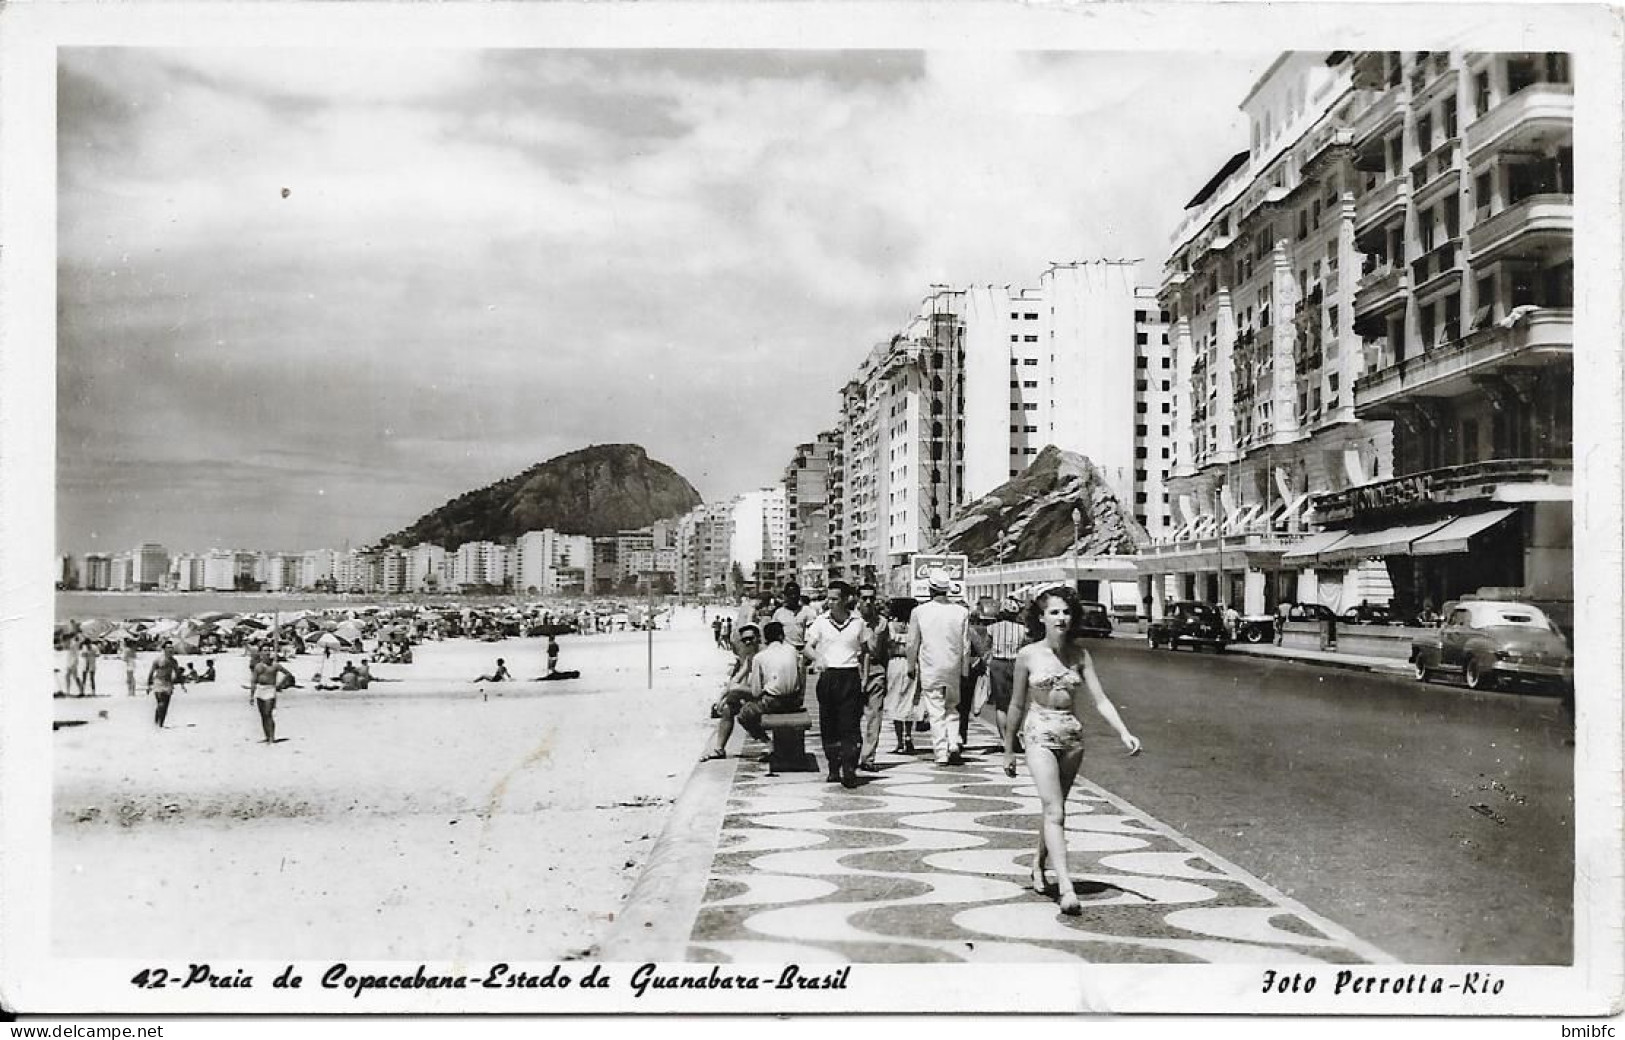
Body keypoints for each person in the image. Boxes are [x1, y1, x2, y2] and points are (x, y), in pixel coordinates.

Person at [1003, 586, 1143, 915]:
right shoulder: (1028, 655)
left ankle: (1038, 864)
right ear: (1041, 618)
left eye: (1066, 612)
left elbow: (1101, 699)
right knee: (1055, 812)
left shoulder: (1080, 655)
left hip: (1072, 736)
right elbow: (1015, 703)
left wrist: (1124, 732)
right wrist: (1008, 750)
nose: (1061, 617)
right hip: (1039, 733)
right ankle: (1066, 887)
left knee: (1056, 809)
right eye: (1053, 612)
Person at [803, 581, 869, 788]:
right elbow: (807, 648)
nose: (829, 603)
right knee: (829, 724)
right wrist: (818, 658)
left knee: (849, 725)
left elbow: (866, 651)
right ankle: (833, 765)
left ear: (845, 600)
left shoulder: (858, 623)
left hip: (850, 675)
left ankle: (849, 767)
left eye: (834, 599)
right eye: (828, 598)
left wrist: (864, 677)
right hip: (829, 676)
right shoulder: (820, 622)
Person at [907, 568, 971, 766]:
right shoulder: (961, 612)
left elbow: (912, 643)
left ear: (930, 589)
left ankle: (941, 752)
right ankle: (953, 742)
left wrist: (911, 665)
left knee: (935, 710)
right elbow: (966, 646)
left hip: (930, 666)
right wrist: (965, 670)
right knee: (952, 707)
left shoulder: (919, 612)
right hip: (952, 666)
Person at [699, 623, 762, 760]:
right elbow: (738, 677)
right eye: (744, 640)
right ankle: (719, 749)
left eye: (750, 638)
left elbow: (759, 687)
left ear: (758, 638)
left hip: (764, 695)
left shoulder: (763, 656)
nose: (747, 642)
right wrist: (721, 696)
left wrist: (734, 689)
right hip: (754, 693)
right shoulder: (750, 658)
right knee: (728, 708)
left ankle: (768, 743)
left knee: (736, 696)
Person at [736, 621, 803, 743]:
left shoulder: (760, 657)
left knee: (744, 715)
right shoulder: (792, 650)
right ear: (782, 636)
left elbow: (756, 692)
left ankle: (767, 741)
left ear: (765, 638)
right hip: (794, 701)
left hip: (773, 702)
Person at [855, 583, 890, 771]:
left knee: (874, 717)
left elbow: (881, 651)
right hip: (853, 671)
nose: (868, 602)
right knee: (852, 717)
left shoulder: (882, 623)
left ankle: (868, 758)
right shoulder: (851, 620)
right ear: (858, 600)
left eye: (871, 598)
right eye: (864, 598)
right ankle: (854, 751)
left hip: (876, 673)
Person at [983, 595, 1027, 745]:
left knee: (1001, 705)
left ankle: (1005, 739)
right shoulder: (1023, 630)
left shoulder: (992, 628)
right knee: (1016, 702)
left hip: (998, 664)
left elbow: (986, 647)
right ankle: (1014, 737)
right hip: (1016, 664)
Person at [882, 598, 922, 753]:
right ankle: (908, 737)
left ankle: (899, 741)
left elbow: (886, 647)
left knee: (895, 701)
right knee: (909, 701)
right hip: (912, 663)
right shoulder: (914, 626)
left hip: (894, 664)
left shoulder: (890, 626)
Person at [249, 650, 297, 743]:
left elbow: (288, 674)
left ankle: (272, 737)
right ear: (261, 655)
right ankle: (267, 736)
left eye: (267, 653)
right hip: (260, 689)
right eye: (264, 653)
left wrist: (281, 684)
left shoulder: (275, 665)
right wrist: (251, 695)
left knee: (268, 713)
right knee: (263, 715)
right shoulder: (258, 666)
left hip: (270, 689)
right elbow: (253, 681)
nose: (266, 655)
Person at [146, 644, 183, 728]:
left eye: (172, 648)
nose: (171, 650)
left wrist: (182, 684)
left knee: (165, 704)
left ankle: (160, 723)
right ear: (164, 650)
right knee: (161, 703)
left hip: (168, 683)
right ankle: (158, 723)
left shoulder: (173, 661)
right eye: (169, 648)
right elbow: (151, 672)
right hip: (158, 682)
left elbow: (177, 672)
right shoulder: (158, 660)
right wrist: (148, 685)